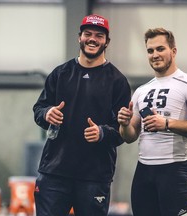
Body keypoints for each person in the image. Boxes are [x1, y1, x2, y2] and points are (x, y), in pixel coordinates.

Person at [32, 14, 131, 216]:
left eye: (98, 35)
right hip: (54, 173)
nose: (92, 39)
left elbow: (124, 131)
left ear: (107, 42)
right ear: (80, 37)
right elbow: (38, 109)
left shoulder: (117, 81)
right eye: (87, 34)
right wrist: (47, 113)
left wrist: (102, 132)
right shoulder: (60, 74)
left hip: (94, 177)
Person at [117, 28, 187, 216]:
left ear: (173, 51)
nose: (155, 55)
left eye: (160, 49)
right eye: (150, 51)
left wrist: (166, 124)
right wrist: (124, 123)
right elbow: (130, 137)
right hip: (143, 171)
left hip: (173, 169)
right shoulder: (141, 90)